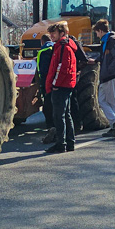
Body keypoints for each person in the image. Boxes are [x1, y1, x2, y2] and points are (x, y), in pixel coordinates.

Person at [44, 21, 77, 153]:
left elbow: (63, 68)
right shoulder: (62, 47)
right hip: (64, 85)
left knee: (59, 116)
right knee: (66, 114)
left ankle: (61, 143)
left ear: (61, 33)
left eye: (54, 33)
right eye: (50, 33)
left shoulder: (63, 47)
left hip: (61, 86)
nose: (51, 35)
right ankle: (69, 143)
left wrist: (55, 85)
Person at [91, 19, 115, 138]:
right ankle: (114, 127)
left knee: (102, 100)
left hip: (110, 76)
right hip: (111, 75)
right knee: (112, 102)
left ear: (100, 31)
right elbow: (106, 57)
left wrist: (109, 71)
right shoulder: (108, 41)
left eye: (96, 32)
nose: (96, 35)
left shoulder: (111, 41)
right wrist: (95, 60)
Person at [33, 35, 56, 143]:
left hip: (47, 81)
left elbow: (43, 69)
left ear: (42, 42)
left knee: (48, 104)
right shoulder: (55, 47)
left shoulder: (43, 51)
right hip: (56, 80)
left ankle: (51, 126)